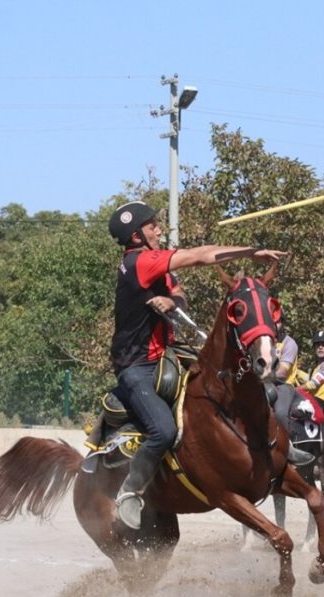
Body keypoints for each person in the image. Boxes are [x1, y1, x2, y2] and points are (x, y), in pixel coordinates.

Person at [107, 200, 291, 530]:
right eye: (152, 226)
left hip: (167, 354)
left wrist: (171, 301)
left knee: (226, 379)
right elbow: (201, 255)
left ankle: (275, 453)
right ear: (136, 236)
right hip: (137, 367)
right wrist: (252, 253)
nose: (158, 229)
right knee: (162, 430)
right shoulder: (141, 261)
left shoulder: (155, 266)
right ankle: (129, 492)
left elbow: (180, 296)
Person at [273, 312, 300, 385]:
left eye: (277, 321)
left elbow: (282, 372)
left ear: (282, 324)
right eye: (271, 320)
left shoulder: (289, 343)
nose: (274, 324)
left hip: (284, 385)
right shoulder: (264, 342)